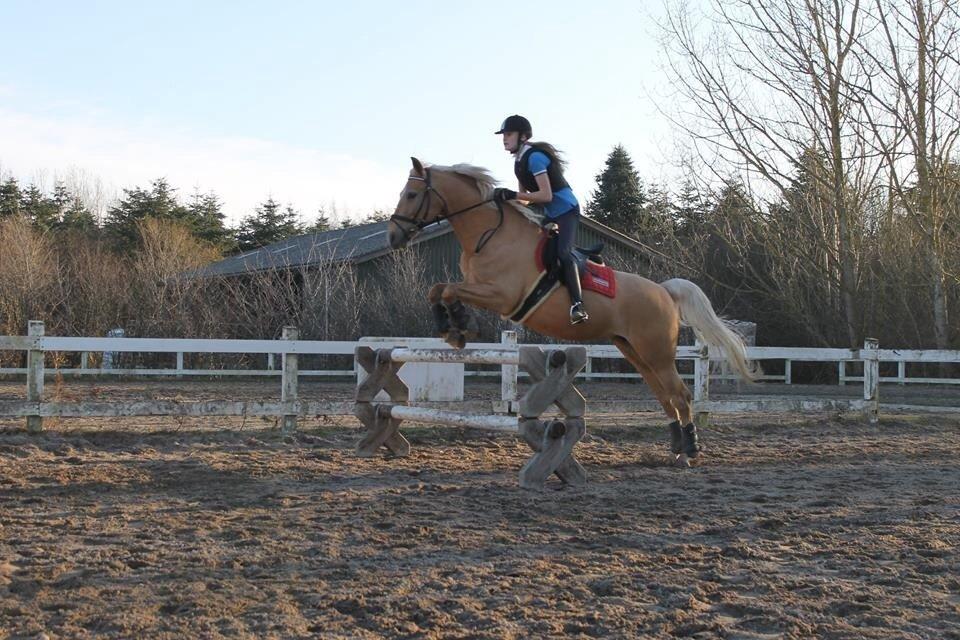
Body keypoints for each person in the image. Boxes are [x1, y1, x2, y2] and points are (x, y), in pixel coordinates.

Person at [493, 114, 589, 324]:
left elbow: (545, 195)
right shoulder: (518, 163)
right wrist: (502, 201)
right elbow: (525, 201)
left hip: (566, 210)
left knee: (563, 254)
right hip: (550, 214)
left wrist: (514, 195)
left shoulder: (535, 158)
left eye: (508, 134)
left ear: (523, 136)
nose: (504, 138)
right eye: (503, 135)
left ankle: (577, 305)